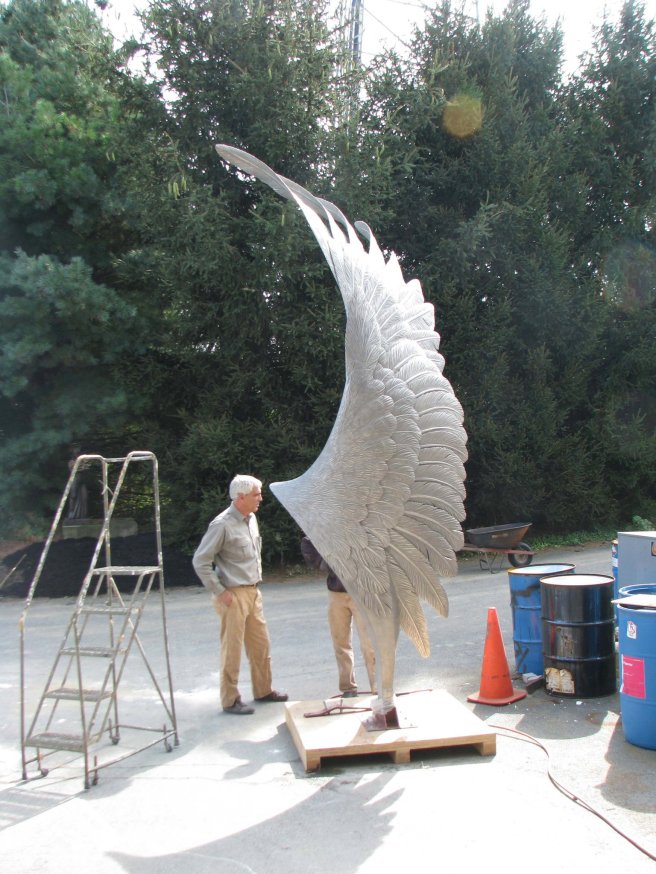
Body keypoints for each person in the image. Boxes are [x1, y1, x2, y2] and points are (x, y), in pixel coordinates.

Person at [193, 474, 288, 715]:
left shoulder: (251, 518)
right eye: (256, 494)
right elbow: (200, 561)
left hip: (253, 592)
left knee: (260, 645)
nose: (260, 498)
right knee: (232, 649)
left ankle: (263, 690)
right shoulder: (222, 524)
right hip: (232, 594)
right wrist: (220, 592)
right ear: (240, 497)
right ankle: (230, 699)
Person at [301, 536, 376, 698]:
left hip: (363, 593)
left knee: (370, 644)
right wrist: (328, 564)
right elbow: (307, 541)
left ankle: (379, 687)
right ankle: (348, 688)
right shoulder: (325, 525)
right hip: (336, 593)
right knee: (341, 643)